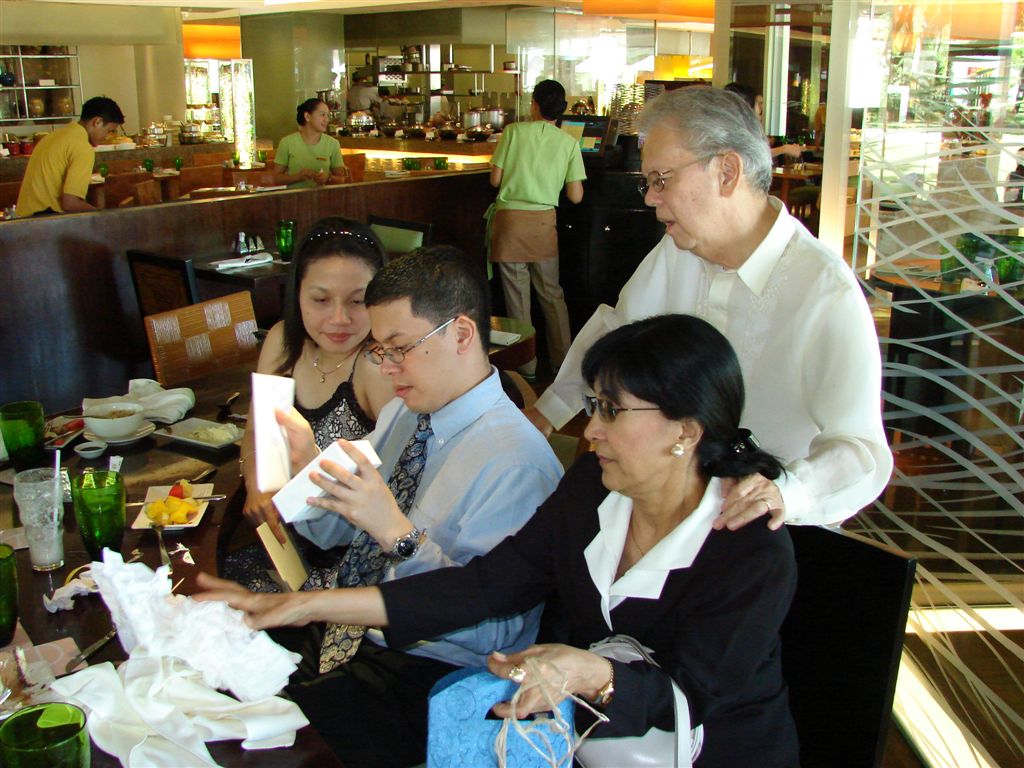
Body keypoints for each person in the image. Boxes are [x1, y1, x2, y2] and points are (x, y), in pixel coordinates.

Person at [198, 314, 801, 768]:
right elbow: (486, 585)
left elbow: (694, 694)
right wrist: (303, 604)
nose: (590, 430)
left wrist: (591, 672)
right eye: (592, 406)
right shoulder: (592, 489)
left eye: (611, 411)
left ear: (685, 432)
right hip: (588, 741)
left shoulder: (748, 546)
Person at [225, 247, 563, 767]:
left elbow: (495, 633)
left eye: (400, 348)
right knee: (220, 677)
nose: (387, 368)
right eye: (379, 350)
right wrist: (312, 469)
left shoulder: (515, 463)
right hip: (352, 631)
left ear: (462, 334)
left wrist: (398, 535)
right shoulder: (409, 411)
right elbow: (340, 535)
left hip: (433, 671)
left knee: (262, 740)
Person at [528, 86, 892, 531]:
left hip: (762, 531)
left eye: (662, 180)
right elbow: (617, 333)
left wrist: (787, 491)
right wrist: (548, 412)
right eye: (648, 183)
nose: (650, 198)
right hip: (666, 512)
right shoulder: (677, 251)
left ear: (727, 172)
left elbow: (861, 449)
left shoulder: (822, 289)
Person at [227, 217, 395, 589]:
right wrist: (256, 484)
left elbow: (394, 489)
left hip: (350, 555)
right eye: (320, 300)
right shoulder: (283, 342)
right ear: (297, 294)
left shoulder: (377, 366)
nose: (339, 318)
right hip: (284, 540)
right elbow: (258, 430)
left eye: (358, 301)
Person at [489, 79, 585, 380]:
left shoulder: (513, 132)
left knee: (517, 298)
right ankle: (563, 362)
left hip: (510, 224)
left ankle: (526, 367)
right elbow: (575, 196)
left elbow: (495, 180)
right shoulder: (568, 142)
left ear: (534, 105)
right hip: (543, 224)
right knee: (552, 295)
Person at [16, 96, 124, 217]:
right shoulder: (82, 147)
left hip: (23, 219)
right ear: (97, 122)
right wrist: (103, 216)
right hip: (44, 219)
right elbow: (70, 203)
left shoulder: (54, 136)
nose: (107, 137)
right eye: (109, 131)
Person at [274, 98, 348, 189]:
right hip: (294, 196)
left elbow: (341, 180)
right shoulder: (287, 143)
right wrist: (298, 177)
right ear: (307, 117)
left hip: (323, 196)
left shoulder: (333, 144)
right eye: (322, 115)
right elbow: (276, 178)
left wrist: (328, 178)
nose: (326, 120)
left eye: (328, 116)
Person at [724, 82, 802, 160]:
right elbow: (750, 156)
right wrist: (784, 149)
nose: (761, 108)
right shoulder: (732, 131)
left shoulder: (747, 129)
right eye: (758, 103)